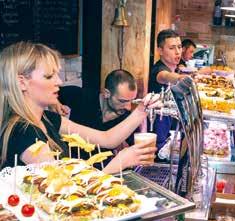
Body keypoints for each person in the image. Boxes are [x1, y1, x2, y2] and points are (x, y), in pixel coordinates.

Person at [0, 42, 161, 173]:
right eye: (49, 76)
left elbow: (107, 139)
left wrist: (141, 110)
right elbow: (63, 191)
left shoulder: (48, 119)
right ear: (22, 82)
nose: (59, 82)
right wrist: (119, 163)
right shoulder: (22, 131)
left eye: (57, 74)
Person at [148, 29, 187, 150]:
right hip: (158, 136)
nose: (177, 52)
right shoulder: (159, 70)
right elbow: (164, 76)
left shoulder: (173, 68)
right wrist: (181, 78)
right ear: (160, 50)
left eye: (179, 47)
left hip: (169, 131)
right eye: (172, 48)